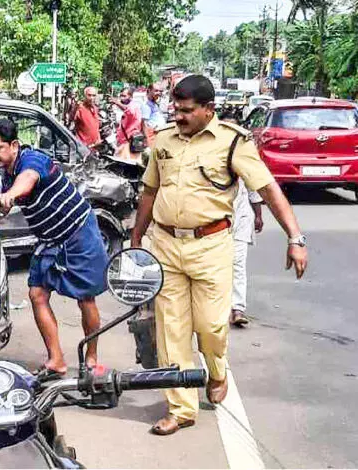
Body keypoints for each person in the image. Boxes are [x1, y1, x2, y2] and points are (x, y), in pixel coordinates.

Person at [130, 75, 307, 436]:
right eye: (175, 110)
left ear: (208, 109)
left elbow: (269, 189)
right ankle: (181, 408)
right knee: (171, 330)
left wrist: (295, 237)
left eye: (186, 111)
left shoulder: (233, 142)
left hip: (211, 246)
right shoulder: (163, 140)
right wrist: (136, 239)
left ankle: (217, 370)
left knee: (210, 326)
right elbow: (149, 192)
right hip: (165, 245)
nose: (178, 116)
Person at [0, 119, 108, 378]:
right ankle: (56, 360)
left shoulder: (32, 160)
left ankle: (92, 358)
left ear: (14, 145)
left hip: (78, 232)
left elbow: (26, 182)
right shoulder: (7, 174)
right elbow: (0, 210)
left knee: (85, 298)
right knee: (37, 294)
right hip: (49, 240)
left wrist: (11, 195)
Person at [231, 178, 263, 327]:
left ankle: (238, 309)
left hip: (241, 219)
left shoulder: (240, 157)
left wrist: (258, 215)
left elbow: (253, 189)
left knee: (238, 264)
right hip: (210, 223)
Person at [112, 87, 144, 161]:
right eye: (121, 96)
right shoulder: (129, 106)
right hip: (126, 141)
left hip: (129, 142)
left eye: (124, 96)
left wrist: (117, 103)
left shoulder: (133, 106)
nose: (122, 98)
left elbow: (129, 111)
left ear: (131, 97)